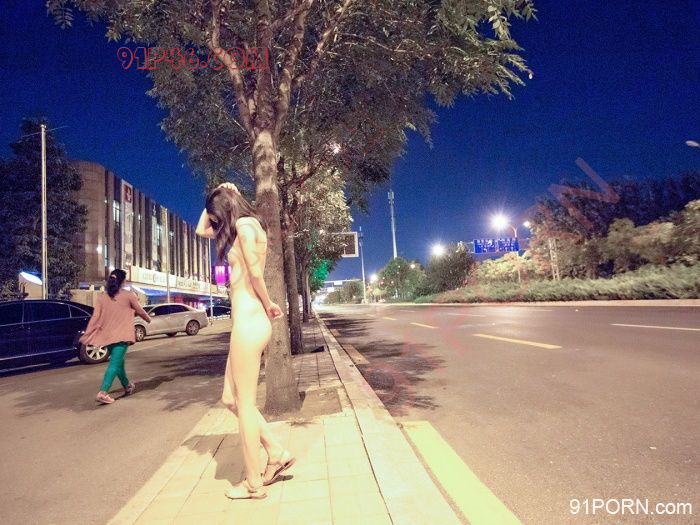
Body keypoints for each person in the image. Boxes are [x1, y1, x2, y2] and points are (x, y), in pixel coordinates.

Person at [196, 182, 295, 500]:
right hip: (246, 323)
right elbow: (201, 229)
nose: (213, 222)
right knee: (230, 398)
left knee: (247, 405)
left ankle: (253, 484)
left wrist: (269, 303)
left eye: (216, 215)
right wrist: (222, 191)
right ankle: (276, 451)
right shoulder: (244, 226)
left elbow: (254, 273)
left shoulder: (244, 226)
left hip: (250, 322)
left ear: (225, 211)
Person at [80, 269, 152, 405]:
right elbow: (140, 310)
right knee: (114, 364)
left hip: (107, 336)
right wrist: (148, 319)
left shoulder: (101, 297)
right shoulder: (129, 295)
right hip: (122, 336)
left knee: (119, 363)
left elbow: (95, 316)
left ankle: (127, 386)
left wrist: (88, 333)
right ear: (123, 281)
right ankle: (103, 392)